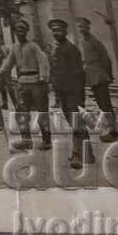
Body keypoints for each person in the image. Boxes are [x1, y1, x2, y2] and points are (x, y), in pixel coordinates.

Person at [49, 18, 95, 169]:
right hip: (62, 92)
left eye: (59, 30)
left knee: (76, 123)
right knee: (76, 123)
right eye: (54, 31)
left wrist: (79, 97)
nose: (56, 33)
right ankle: (88, 154)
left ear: (65, 31)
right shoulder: (56, 49)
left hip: (72, 93)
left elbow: (79, 74)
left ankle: (77, 155)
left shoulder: (71, 49)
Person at [0, 21, 51, 150]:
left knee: (42, 111)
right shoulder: (15, 47)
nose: (20, 33)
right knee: (21, 112)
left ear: (26, 32)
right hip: (23, 82)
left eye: (23, 30)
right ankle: (26, 140)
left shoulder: (33, 46)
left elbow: (42, 62)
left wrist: (43, 77)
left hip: (36, 82)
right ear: (15, 33)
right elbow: (9, 62)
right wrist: (0, 71)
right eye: (18, 31)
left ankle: (46, 140)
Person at [77, 17, 118, 142]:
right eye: (79, 27)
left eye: (83, 26)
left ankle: (114, 131)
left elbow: (105, 59)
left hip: (99, 76)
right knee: (102, 104)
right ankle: (110, 129)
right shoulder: (82, 42)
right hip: (91, 77)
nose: (81, 29)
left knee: (105, 104)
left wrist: (109, 75)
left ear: (88, 27)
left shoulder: (94, 41)